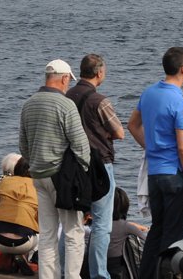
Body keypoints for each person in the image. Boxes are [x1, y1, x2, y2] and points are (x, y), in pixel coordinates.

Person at [127, 46, 183, 279]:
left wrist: (150, 146)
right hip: (173, 174)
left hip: (154, 173)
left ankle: (145, 275)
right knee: (173, 235)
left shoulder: (149, 93)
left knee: (157, 230)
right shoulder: (180, 102)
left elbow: (132, 125)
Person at [19, 59, 90, 279]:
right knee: (73, 232)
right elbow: (80, 144)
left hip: (39, 175)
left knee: (48, 233)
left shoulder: (29, 103)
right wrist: (84, 170)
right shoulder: (66, 105)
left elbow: (24, 144)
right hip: (62, 178)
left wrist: (34, 164)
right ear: (64, 78)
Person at [66, 53, 124, 279]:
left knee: (71, 222)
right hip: (100, 165)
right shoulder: (100, 101)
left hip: (72, 164)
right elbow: (119, 132)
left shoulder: (67, 96)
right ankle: (99, 274)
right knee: (101, 223)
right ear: (99, 72)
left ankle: (66, 270)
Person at [0, 155, 38, 276]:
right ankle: (25, 259)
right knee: (43, 224)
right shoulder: (38, 187)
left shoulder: (5, 182)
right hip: (25, 244)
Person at [108, 188, 147, 279]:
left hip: (99, 259)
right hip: (117, 265)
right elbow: (146, 240)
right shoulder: (126, 226)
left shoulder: (100, 225)